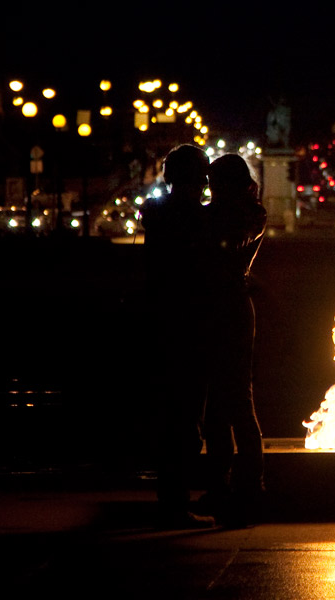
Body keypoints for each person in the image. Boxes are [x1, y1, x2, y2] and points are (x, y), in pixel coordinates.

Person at [141, 144, 215, 529]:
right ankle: (176, 505)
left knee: (169, 416)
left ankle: (168, 498)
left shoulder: (156, 214)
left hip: (160, 326)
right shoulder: (196, 220)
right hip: (189, 328)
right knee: (187, 420)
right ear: (200, 180)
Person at [198, 153, 268, 527]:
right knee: (219, 405)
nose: (209, 189)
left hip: (228, 308)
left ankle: (248, 486)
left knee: (237, 400)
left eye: (213, 182)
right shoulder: (240, 212)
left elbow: (223, 243)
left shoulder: (245, 214)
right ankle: (224, 485)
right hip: (220, 306)